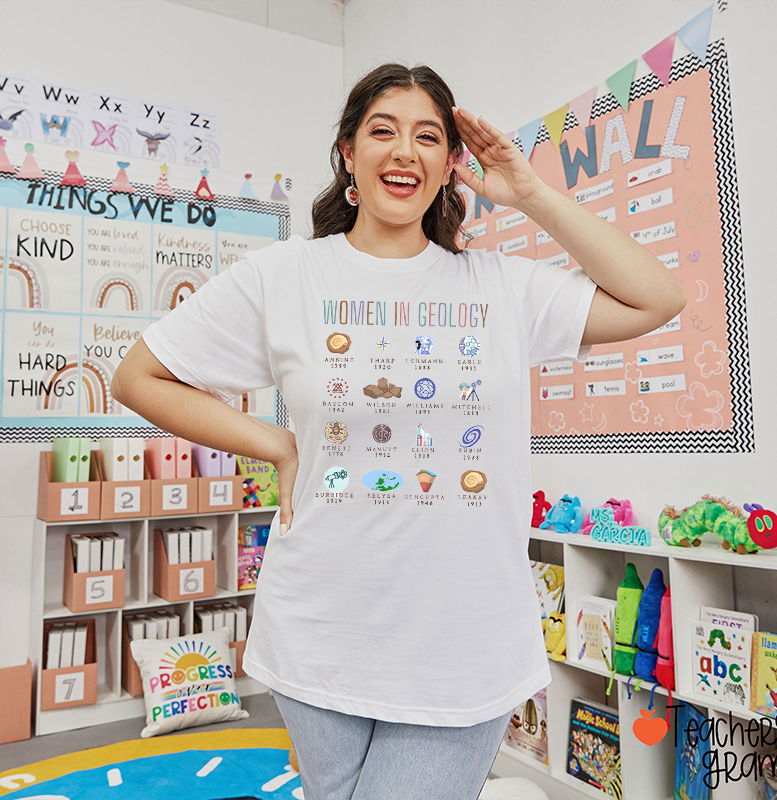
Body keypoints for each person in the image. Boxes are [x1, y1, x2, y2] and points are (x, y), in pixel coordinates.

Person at [112, 63, 685, 800]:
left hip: (462, 643)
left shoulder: (502, 287)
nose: (404, 151)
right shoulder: (283, 277)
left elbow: (657, 298)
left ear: (452, 164)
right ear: (348, 152)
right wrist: (276, 443)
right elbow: (139, 378)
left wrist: (534, 194)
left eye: (428, 136)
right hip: (317, 630)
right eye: (382, 131)